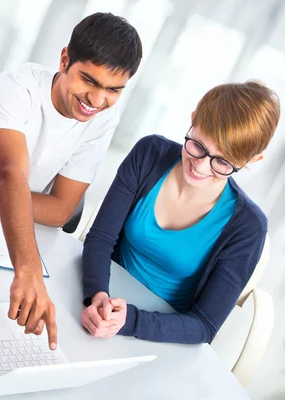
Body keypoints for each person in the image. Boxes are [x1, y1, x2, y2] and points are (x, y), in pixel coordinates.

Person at [0, 13, 142, 349]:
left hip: (8, 230)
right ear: (64, 60)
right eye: (88, 80)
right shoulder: (16, 87)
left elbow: (60, 211)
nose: (97, 100)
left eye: (113, 90)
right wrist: (27, 271)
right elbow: (12, 174)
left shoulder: (103, 118)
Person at [80, 82, 280, 344]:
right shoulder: (149, 154)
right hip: (104, 301)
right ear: (193, 118)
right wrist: (97, 296)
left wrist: (129, 321)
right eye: (197, 145)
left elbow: (205, 324)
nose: (201, 167)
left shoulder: (248, 227)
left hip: (162, 334)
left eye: (222, 162)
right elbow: (100, 238)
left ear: (252, 161)